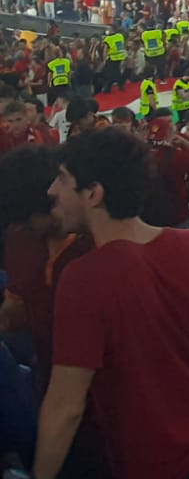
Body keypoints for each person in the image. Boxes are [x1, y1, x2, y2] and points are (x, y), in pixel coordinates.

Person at [35, 128, 189, 479]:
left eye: (63, 179)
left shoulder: (83, 279)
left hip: (167, 463)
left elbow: (66, 406)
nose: (52, 191)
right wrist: (178, 348)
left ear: (94, 193)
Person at [0, 145, 92, 398]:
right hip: (47, 372)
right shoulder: (20, 238)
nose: (22, 227)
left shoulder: (93, 245)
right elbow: (14, 308)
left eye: (28, 219)